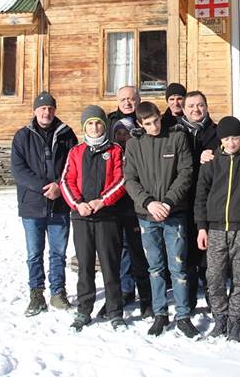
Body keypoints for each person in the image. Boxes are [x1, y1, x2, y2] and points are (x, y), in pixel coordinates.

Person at [124, 101, 200, 339]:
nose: (154, 126)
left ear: (160, 117)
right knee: (155, 267)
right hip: (147, 215)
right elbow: (130, 179)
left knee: (178, 266)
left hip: (173, 213)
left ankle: (183, 315)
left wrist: (168, 202)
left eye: (156, 120)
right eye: (148, 124)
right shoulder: (134, 144)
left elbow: (186, 173)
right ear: (140, 124)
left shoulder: (176, 137)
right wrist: (149, 202)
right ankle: (160, 313)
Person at [194, 116, 240, 343]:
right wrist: (201, 227)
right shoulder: (212, 161)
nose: (231, 142)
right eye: (226, 139)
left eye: (235, 137)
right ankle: (220, 318)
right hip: (215, 229)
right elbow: (201, 196)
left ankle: (236, 321)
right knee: (214, 277)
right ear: (220, 140)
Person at [60, 106, 129, 332]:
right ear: (84, 127)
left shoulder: (115, 150)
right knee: (85, 266)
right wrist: (78, 203)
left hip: (107, 216)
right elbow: (66, 181)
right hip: (82, 217)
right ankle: (84, 309)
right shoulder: (76, 152)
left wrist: (103, 201)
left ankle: (115, 310)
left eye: (98, 123)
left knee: (110, 265)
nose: (94, 127)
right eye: (90, 123)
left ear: (104, 126)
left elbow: (121, 179)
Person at [9, 91, 78, 316]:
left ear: (54, 110)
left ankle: (58, 293)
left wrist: (59, 185)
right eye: (42, 108)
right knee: (34, 254)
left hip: (59, 205)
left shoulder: (67, 134)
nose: (46, 112)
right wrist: (44, 187)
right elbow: (18, 170)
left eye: (50, 108)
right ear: (35, 111)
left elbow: (73, 165)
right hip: (32, 205)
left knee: (58, 253)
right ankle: (36, 295)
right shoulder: (22, 136)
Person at [101, 117, 153, 319]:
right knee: (120, 253)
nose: (122, 137)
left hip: (136, 207)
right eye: (119, 133)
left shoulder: (139, 150)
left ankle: (146, 296)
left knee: (138, 253)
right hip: (114, 209)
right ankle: (125, 290)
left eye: (126, 133)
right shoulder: (110, 152)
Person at [174, 90, 219, 313]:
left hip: (209, 200)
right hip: (182, 199)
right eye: (191, 106)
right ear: (183, 109)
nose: (196, 109)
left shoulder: (217, 132)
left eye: (200, 105)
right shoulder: (175, 132)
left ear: (206, 106)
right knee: (186, 251)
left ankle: (212, 294)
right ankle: (189, 297)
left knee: (208, 251)